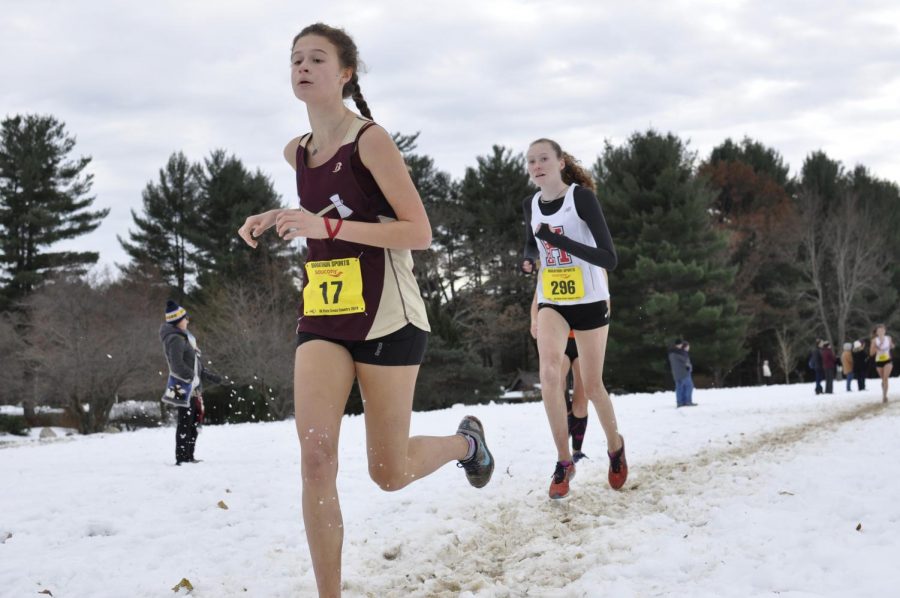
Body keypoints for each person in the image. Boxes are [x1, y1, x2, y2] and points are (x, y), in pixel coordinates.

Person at [237, 23, 493, 596]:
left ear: (345, 73)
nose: (303, 66)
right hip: (325, 318)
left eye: (317, 58)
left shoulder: (370, 141)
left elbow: (419, 233)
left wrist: (323, 224)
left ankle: (466, 445)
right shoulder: (296, 152)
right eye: (295, 59)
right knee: (316, 455)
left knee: (389, 471)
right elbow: (331, 205)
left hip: (388, 317)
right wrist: (278, 215)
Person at [521, 137, 624, 500]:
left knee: (592, 387)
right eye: (531, 161)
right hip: (554, 301)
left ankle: (615, 446)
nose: (537, 166)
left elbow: (609, 258)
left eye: (544, 158)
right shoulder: (530, 204)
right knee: (549, 374)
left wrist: (558, 242)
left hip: (591, 301)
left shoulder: (581, 199)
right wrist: (530, 258)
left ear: (561, 162)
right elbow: (533, 242)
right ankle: (564, 461)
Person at [159, 300, 221, 465]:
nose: (188, 320)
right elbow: (177, 365)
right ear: (178, 320)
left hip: (191, 384)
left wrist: (206, 375)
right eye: (185, 318)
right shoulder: (176, 339)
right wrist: (194, 377)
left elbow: (194, 362)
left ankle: (189, 455)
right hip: (182, 385)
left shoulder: (185, 337)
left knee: (193, 421)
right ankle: (182, 457)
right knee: (185, 422)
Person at [870, 324, 894, 403]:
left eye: (882, 330)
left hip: (888, 360)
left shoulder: (888, 338)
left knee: (885, 378)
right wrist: (876, 348)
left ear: (885, 331)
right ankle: (884, 393)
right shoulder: (874, 340)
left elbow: (891, 346)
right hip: (879, 361)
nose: (881, 332)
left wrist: (892, 346)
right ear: (876, 332)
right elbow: (871, 353)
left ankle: (884, 396)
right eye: (879, 330)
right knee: (883, 379)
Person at [668, 339, 696, 407]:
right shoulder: (680, 353)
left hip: (676, 373)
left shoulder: (671, 353)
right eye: (688, 346)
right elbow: (686, 362)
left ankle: (680, 402)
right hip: (684, 373)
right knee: (689, 386)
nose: (688, 348)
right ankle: (687, 401)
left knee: (679, 387)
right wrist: (689, 367)